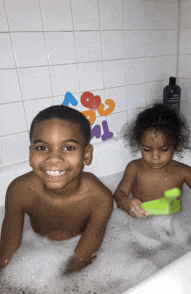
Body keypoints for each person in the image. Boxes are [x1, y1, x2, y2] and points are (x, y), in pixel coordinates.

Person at [0, 105, 113, 273]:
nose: (54, 159)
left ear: (86, 155)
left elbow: (81, 258)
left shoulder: (99, 198)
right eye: (42, 148)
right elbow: (6, 253)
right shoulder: (19, 190)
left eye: (68, 148)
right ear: (31, 155)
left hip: (77, 249)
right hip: (36, 249)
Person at [114, 103, 191, 221]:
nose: (155, 157)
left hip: (174, 224)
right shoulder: (134, 168)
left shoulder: (184, 172)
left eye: (164, 149)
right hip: (140, 222)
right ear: (139, 145)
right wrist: (126, 203)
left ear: (175, 146)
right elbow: (119, 193)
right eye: (147, 149)